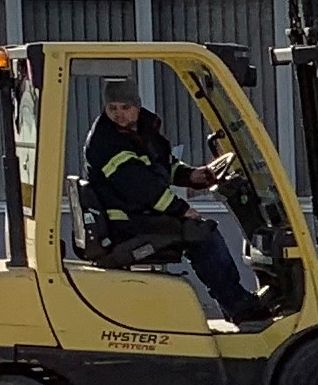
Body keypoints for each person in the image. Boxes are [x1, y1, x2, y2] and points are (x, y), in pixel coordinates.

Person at [82, 83, 259, 322]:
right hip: (126, 222)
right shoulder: (106, 141)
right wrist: (181, 209)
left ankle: (235, 304)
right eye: (112, 108)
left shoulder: (142, 131)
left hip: (138, 214)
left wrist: (193, 175)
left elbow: (163, 164)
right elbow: (141, 187)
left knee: (197, 232)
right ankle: (239, 307)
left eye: (125, 107)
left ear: (137, 106)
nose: (118, 114)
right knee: (202, 233)